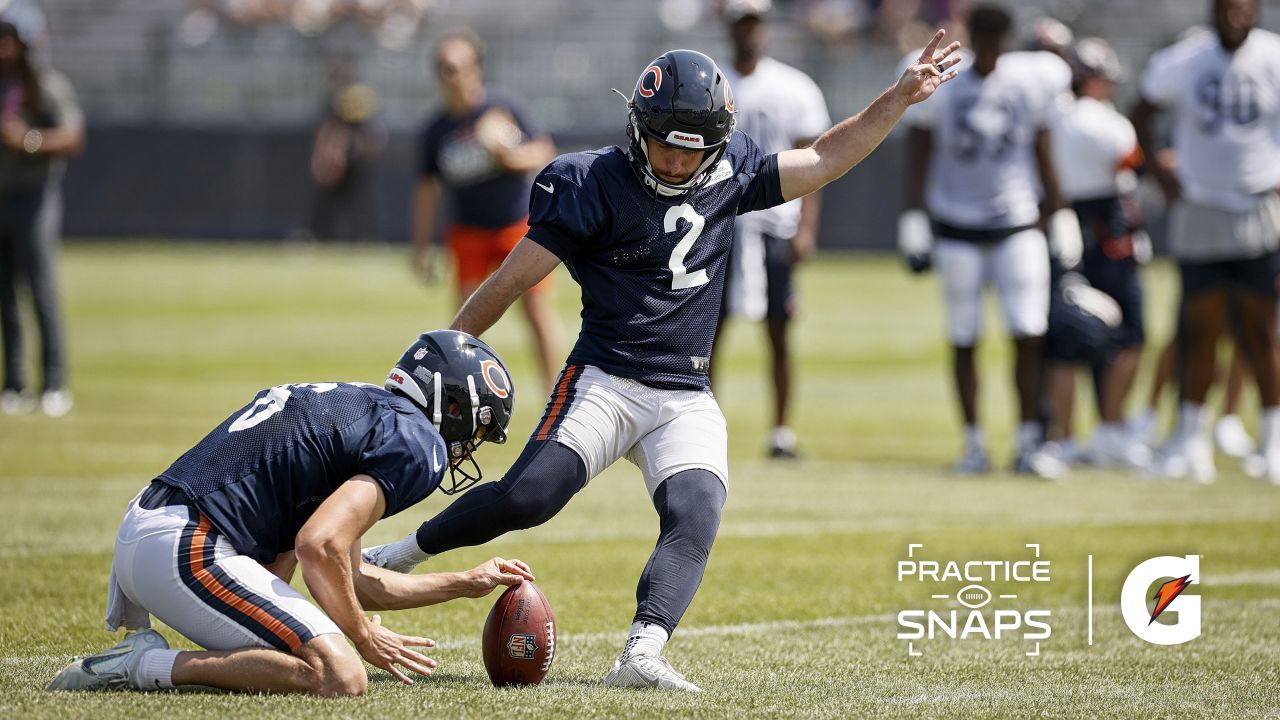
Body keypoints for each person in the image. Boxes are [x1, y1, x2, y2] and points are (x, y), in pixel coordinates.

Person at [363, 36, 963, 690]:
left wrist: (899, 98)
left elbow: (824, 156)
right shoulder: (590, 183)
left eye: (692, 147)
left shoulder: (732, 167)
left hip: (685, 392)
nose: (677, 161)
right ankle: (397, 553)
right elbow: (508, 281)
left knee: (696, 512)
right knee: (528, 497)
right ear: (637, 129)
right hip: (606, 380)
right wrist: (448, 351)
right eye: (665, 143)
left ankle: (642, 652)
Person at [46, 330, 535, 696]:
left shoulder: (362, 408)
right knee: (341, 675)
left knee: (286, 651)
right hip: (187, 547)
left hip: (156, 531)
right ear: (451, 405)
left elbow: (354, 577)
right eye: (476, 429)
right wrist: (362, 636)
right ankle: (143, 665)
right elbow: (319, 547)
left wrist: (466, 582)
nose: (466, 447)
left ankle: (150, 659)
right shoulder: (415, 440)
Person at [897, 5, 1075, 478]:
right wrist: (915, 214)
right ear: (973, 37)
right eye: (986, 38)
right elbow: (920, 147)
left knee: (1029, 332)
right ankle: (974, 441)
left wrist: (1060, 212)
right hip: (957, 225)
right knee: (963, 336)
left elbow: (1043, 147)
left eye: (999, 40)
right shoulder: (946, 78)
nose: (993, 49)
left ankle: (1030, 439)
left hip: (1017, 222)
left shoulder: (1030, 81)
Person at [1131, 0, 1280, 484]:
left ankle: (1273, 440)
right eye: (1228, 9)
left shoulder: (1273, 56)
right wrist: (1162, 177)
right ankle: (1191, 439)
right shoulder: (1186, 59)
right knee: (1199, 330)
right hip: (1200, 207)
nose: (1236, 18)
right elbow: (1142, 109)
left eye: (1244, 9)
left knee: (1260, 332)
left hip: (1258, 205)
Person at [713, 0, 831, 459]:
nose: (750, 32)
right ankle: (702, 424)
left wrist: (806, 227)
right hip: (720, 222)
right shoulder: (712, 81)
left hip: (775, 223)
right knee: (707, 330)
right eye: (742, 23)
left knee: (780, 329)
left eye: (755, 23)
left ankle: (781, 431)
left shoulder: (792, 85)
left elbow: (813, 161)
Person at [412, 30, 561, 390]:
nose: (450, 76)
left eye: (456, 67)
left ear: (475, 68)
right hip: (468, 231)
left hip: (516, 226)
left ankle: (556, 393)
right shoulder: (436, 129)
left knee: (537, 312)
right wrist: (420, 247)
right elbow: (428, 190)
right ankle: (462, 398)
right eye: (443, 68)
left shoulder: (501, 106)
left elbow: (543, 151)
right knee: (466, 322)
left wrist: (508, 156)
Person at [1044, 37, 1151, 469]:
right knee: (1129, 334)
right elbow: (1131, 165)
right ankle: (1110, 428)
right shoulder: (1104, 122)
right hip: (1107, 234)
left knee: (1066, 337)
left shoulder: (1052, 119)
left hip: (1061, 226)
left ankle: (1065, 436)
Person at [0, 18, 83, 417]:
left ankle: (53, 381)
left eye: (9, 41)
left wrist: (29, 140)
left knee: (40, 288)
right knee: (5, 295)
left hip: (34, 198)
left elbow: (72, 137)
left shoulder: (44, 85)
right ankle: (13, 382)